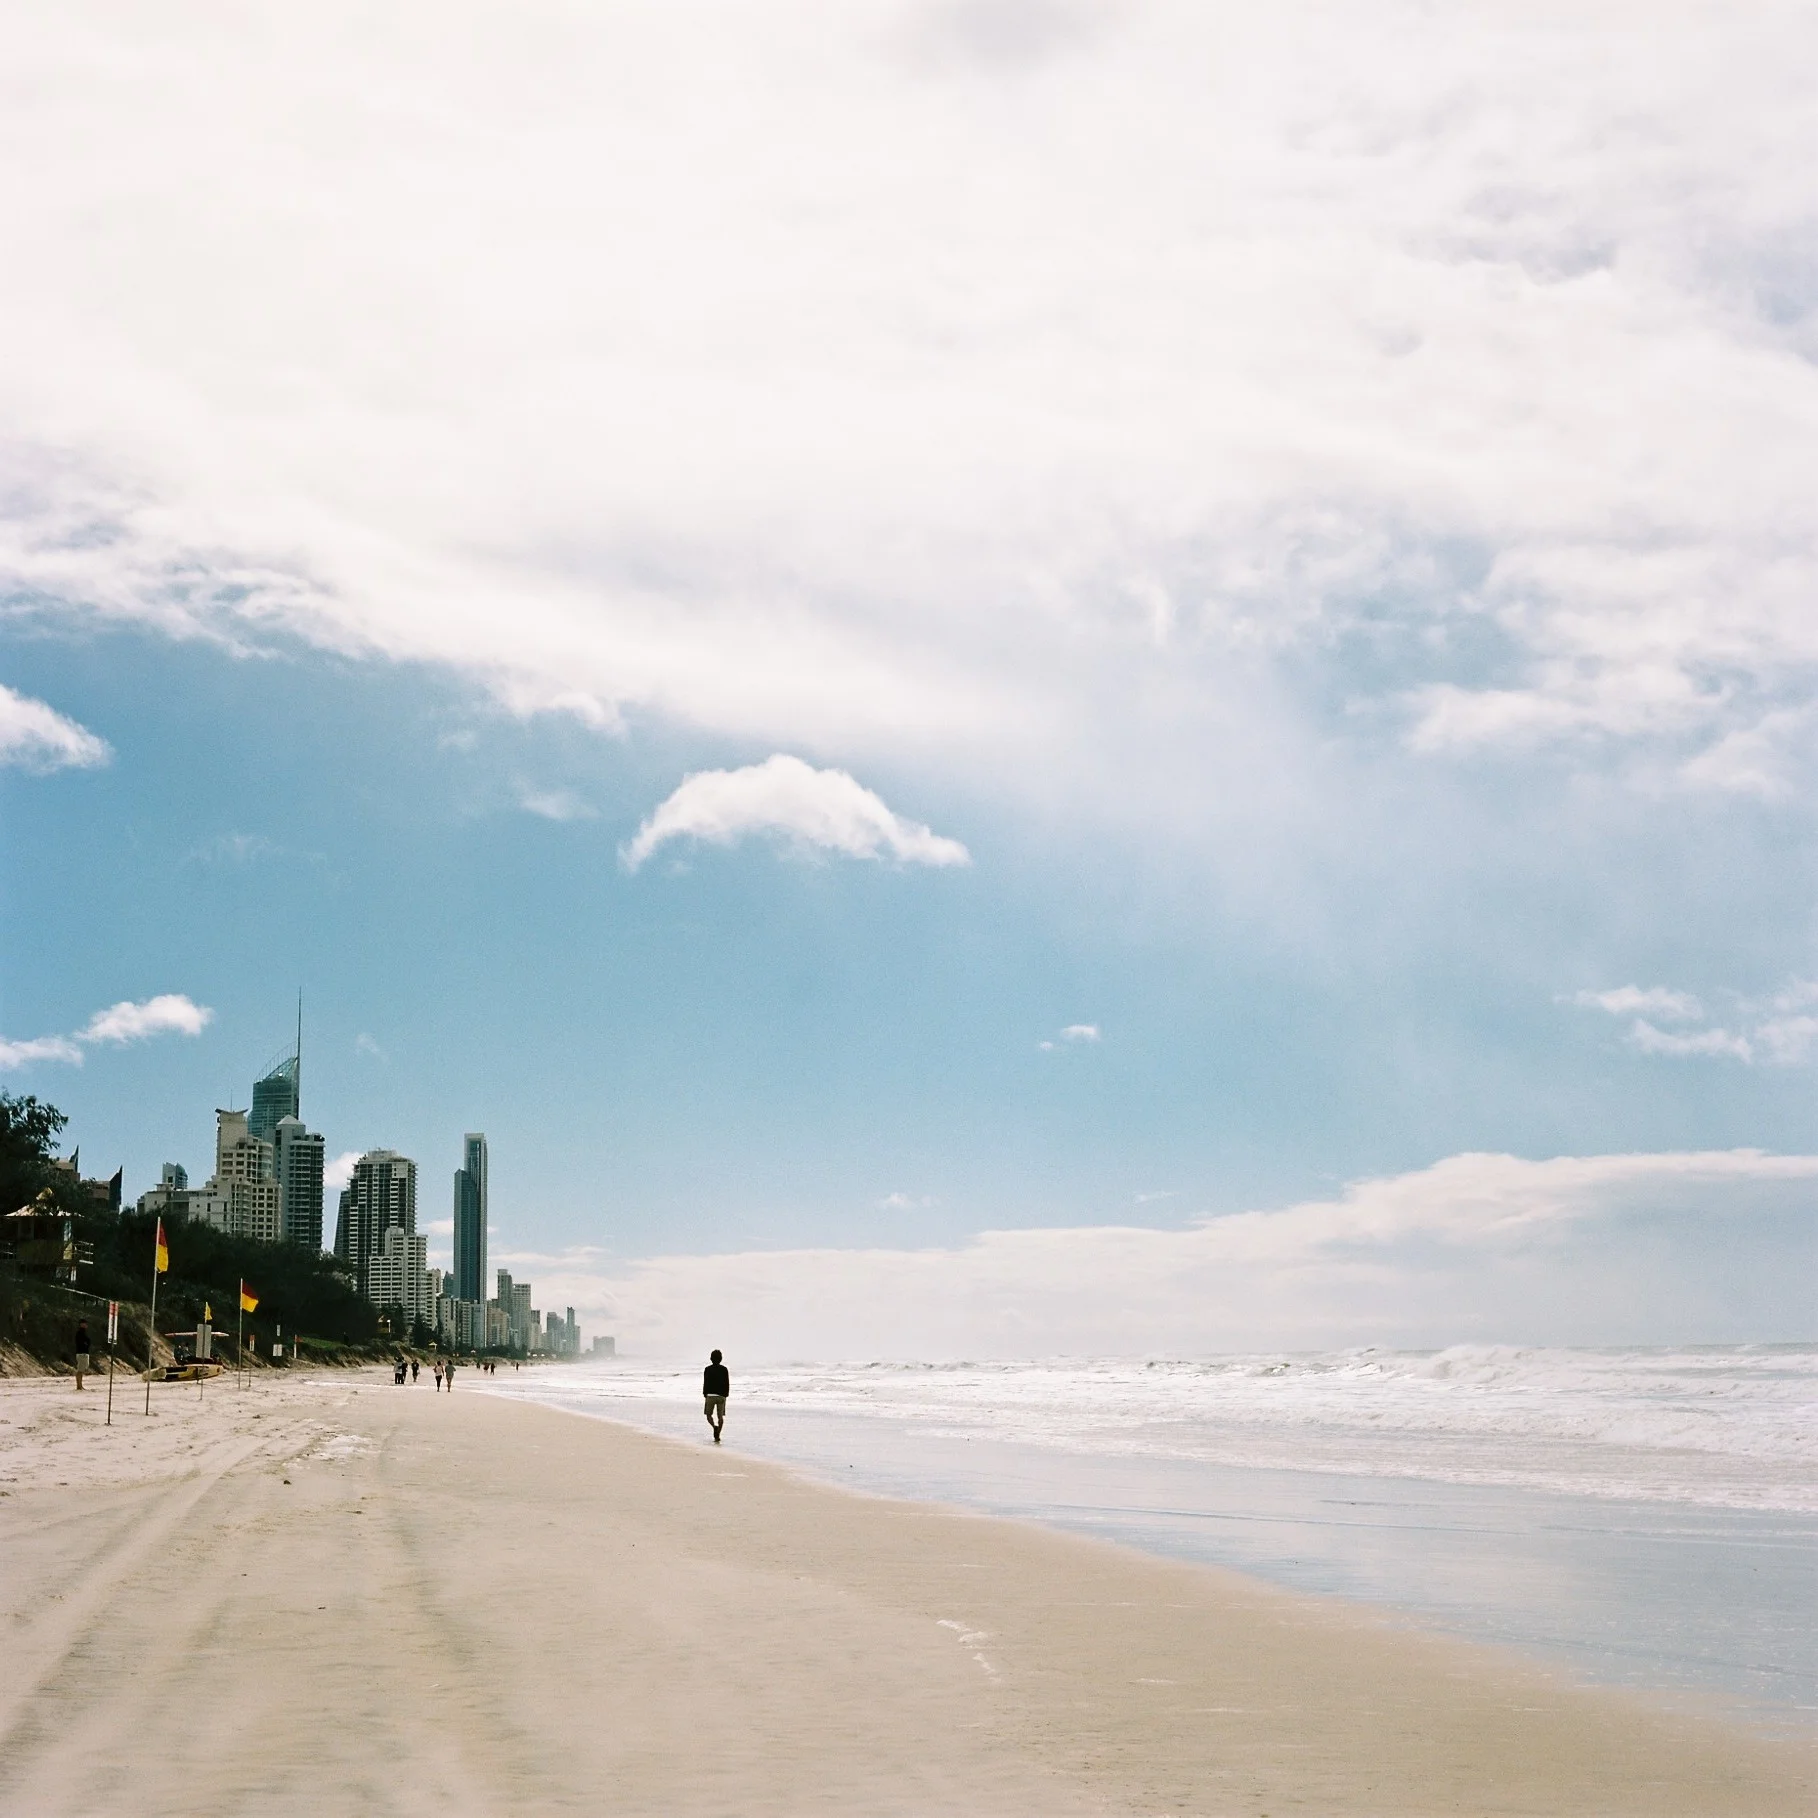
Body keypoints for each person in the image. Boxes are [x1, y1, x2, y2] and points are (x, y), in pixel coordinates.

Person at [702, 1349, 729, 1444]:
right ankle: (718, 1434)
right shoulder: (724, 1369)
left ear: (711, 1359)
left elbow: (705, 1382)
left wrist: (704, 1393)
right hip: (721, 1395)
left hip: (710, 1395)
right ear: (721, 1359)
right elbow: (727, 1383)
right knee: (720, 1417)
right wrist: (726, 1394)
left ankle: (714, 1427)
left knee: (709, 1415)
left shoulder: (707, 1369)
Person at [74, 1319, 91, 1392]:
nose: (85, 1325)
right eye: (84, 1323)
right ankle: (78, 1386)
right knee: (80, 1370)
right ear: (81, 1324)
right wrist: (85, 1344)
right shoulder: (79, 1333)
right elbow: (80, 1342)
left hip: (84, 1353)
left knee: (82, 1369)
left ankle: (80, 1385)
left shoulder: (83, 1332)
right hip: (81, 1353)